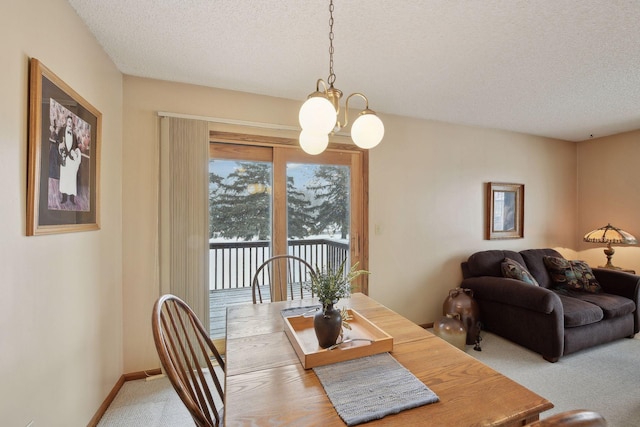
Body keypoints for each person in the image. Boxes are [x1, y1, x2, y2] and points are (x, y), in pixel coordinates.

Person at [57, 116, 81, 204]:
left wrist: (74, 153)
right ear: (66, 122)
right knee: (64, 178)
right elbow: (57, 142)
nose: (70, 123)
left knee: (71, 178)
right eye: (68, 121)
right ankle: (64, 198)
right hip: (64, 158)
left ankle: (71, 199)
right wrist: (60, 146)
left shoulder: (74, 135)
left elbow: (76, 148)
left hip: (71, 160)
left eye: (71, 122)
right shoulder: (61, 131)